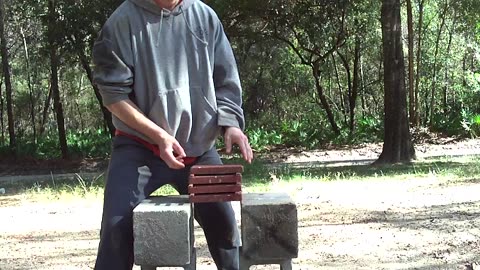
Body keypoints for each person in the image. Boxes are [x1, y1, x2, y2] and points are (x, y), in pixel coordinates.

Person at [91, 0, 253, 269]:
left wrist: (231, 124)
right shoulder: (122, 22)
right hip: (138, 149)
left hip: (199, 150)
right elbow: (113, 96)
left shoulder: (205, 17)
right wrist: (159, 136)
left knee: (225, 228)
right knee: (115, 229)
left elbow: (226, 81)